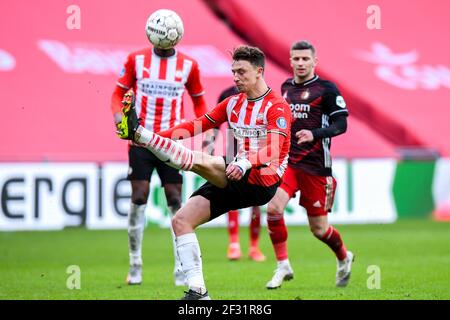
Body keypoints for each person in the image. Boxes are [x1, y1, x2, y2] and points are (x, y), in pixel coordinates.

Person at [117, 45, 292, 299]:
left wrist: (244, 163)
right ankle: (199, 292)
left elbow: (273, 149)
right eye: (233, 72)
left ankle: (141, 134)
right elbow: (197, 125)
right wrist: (157, 135)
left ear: (259, 71)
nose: (236, 77)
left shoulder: (276, 107)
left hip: (262, 178)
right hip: (235, 172)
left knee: (199, 160)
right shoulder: (233, 103)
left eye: (242, 71)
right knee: (181, 220)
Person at [111, 9, 213, 286]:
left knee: (175, 201)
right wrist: (119, 118)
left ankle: (181, 268)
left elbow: (200, 101)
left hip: (171, 142)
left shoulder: (190, 65)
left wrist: (206, 133)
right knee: (140, 195)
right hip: (141, 139)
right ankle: (135, 263)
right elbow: (118, 92)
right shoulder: (136, 60)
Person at [265, 40, 354, 290]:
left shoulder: (327, 89)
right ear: (290, 61)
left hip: (317, 168)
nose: (301, 63)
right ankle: (283, 265)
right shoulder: (284, 88)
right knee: (273, 209)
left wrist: (314, 134)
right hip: (290, 164)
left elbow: (341, 125)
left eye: (306, 59)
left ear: (315, 61)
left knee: (319, 230)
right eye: (296, 59)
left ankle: (344, 257)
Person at [217, 85, 266, 262]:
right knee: (231, 197)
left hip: (255, 150)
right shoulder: (227, 94)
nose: (239, 75)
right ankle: (234, 244)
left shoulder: (263, 94)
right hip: (232, 149)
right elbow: (216, 122)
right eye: (236, 71)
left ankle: (254, 246)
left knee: (256, 201)